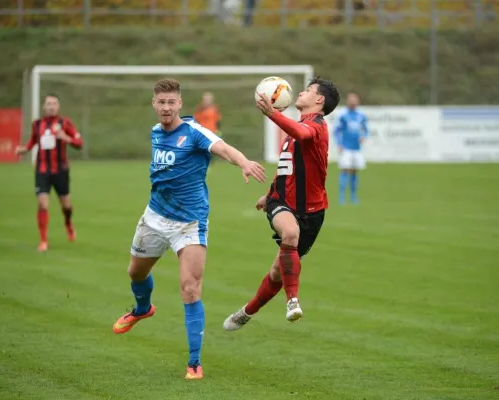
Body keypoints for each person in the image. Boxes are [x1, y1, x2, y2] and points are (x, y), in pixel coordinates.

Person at [111, 78, 266, 380]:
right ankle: (143, 308)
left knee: (190, 289)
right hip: (154, 217)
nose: (166, 107)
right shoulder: (156, 132)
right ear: (154, 105)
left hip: (190, 223)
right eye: (161, 102)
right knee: (135, 273)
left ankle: (194, 362)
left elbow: (222, 147)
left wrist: (244, 162)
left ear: (180, 103)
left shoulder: (194, 132)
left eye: (171, 102)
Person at [223, 77, 340, 331]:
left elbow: (301, 133)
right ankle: (293, 301)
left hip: (313, 211)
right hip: (283, 202)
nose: (302, 92)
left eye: (308, 90)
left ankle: (247, 311)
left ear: (319, 100)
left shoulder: (316, 126)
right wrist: (270, 194)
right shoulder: (296, 129)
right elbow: (286, 169)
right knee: (290, 232)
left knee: (277, 273)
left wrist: (272, 115)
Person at [15, 94, 83, 252]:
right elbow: (32, 142)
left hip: (61, 171)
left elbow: (79, 143)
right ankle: (43, 240)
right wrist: (23, 149)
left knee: (66, 206)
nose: (51, 106)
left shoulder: (65, 123)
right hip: (42, 171)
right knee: (42, 204)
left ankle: (68, 224)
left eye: (54, 103)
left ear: (58, 107)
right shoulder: (37, 124)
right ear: (44, 107)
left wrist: (65, 137)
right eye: (48, 103)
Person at [333, 92, 369, 204]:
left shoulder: (361, 116)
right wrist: (339, 144)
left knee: (354, 172)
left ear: (357, 102)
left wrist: (364, 137)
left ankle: (353, 196)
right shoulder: (343, 115)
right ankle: (341, 197)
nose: (353, 102)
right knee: (344, 170)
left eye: (355, 100)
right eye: (351, 100)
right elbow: (337, 130)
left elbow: (366, 130)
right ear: (348, 102)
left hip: (357, 148)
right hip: (346, 148)